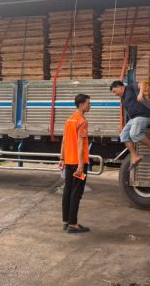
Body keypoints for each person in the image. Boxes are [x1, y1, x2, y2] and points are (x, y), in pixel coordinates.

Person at [59, 93, 91, 234]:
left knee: (67, 191)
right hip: (78, 163)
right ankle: (73, 224)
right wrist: (81, 164)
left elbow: (64, 140)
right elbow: (80, 143)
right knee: (76, 193)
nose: (90, 105)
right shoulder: (82, 121)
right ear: (81, 105)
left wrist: (62, 158)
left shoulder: (69, 120)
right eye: (88, 103)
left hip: (68, 161)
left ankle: (66, 221)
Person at [110, 80, 150, 171]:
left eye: (115, 91)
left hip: (144, 115)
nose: (114, 94)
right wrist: (123, 126)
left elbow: (143, 83)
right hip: (134, 119)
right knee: (123, 135)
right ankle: (135, 155)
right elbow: (128, 114)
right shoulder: (123, 99)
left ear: (120, 87)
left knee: (134, 134)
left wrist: (140, 93)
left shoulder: (130, 88)